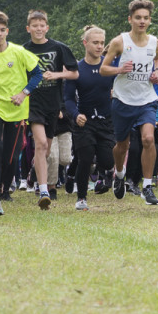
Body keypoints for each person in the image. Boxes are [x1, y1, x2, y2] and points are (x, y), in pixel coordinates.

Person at [0, 10, 42, 217]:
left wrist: (24, 93)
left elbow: (37, 74)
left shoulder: (19, 52)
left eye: (2, 30)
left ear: (7, 31)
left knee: (11, 155)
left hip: (17, 108)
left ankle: (1, 184)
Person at [101, 0, 158, 206]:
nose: (142, 21)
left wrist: (155, 71)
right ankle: (119, 175)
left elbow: (157, 59)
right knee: (122, 145)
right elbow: (103, 68)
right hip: (123, 100)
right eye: (138, 18)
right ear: (130, 19)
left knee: (148, 139)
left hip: (147, 99)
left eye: (146, 18)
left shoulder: (156, 43)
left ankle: (147, 186)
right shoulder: (120, 42)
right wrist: (119, 69)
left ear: (150, 20)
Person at [22, 10, 79, 209]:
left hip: (53, 104)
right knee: (40, 145)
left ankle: (34, 171)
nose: (38, 29)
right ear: (28, 28)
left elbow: (74, 73)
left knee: (45, 150)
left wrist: (55, 75)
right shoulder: (22, 50)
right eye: (34, 26)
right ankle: (44, 190)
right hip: (32, 103)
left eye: (42, 25)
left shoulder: (59, 48)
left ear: (47, 27)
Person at [64, 26, 115, 211]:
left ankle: (108, 174)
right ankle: (82, 198)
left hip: (106, 121)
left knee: (107, 160)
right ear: (85, 43)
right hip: (84, 121)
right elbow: (68, 98)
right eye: (95, 43)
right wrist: (76, 115)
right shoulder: (76, 69)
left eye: (102, 43)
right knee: (85, 158)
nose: (100, 46)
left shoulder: (109, 66)